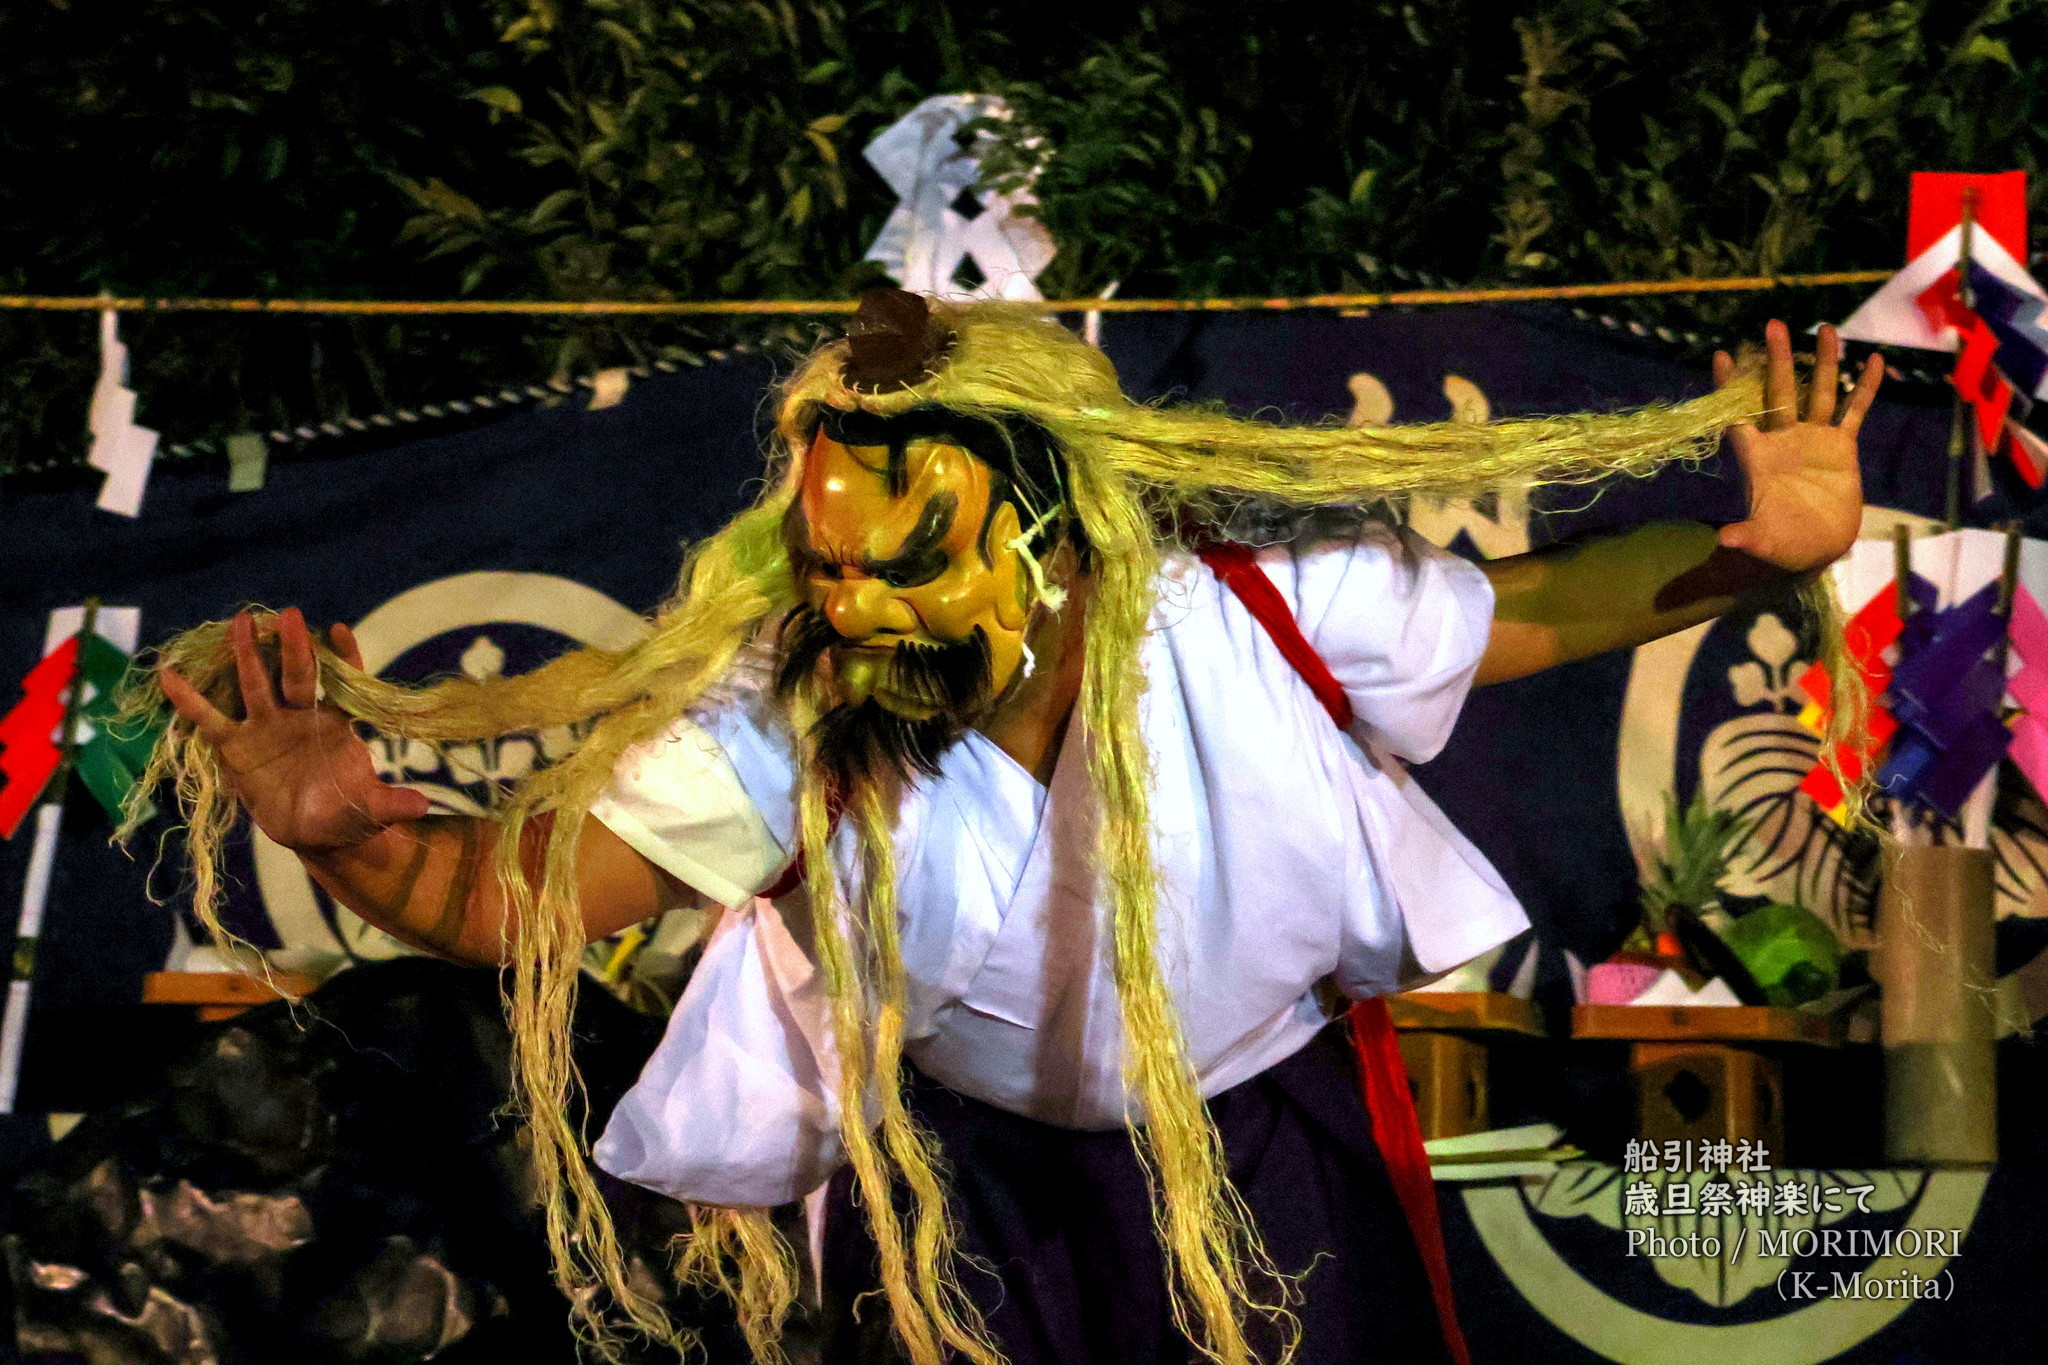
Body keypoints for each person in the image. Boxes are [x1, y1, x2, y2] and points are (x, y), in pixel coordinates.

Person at [145, 290, 1879, 1365]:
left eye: (908, 562)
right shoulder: (790, 707)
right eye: (830, 567)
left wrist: (1759, 555)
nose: (859, 612)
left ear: (1052, 527)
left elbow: (1546, 607)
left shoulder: (1245, 614)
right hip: (964, 1196)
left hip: (1275, 1147)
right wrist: (350, 837)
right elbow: (515, 903)